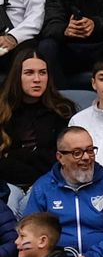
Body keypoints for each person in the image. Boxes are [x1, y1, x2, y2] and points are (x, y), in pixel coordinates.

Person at [24, 126, 103, 257]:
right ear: (60, 157)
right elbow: (30, 234)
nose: (86, 157)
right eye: (77, 153)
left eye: (90, 150)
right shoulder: (44, 187)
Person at [0, 48, 75, 190]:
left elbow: (64, 159)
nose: (37, 79)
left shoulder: (62, 110)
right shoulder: (2, 111)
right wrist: (38, 156)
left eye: (42, 72)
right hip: (7, 186)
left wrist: (17, 154)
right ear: (17, 76)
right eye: (29, 73)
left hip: (51, 184)